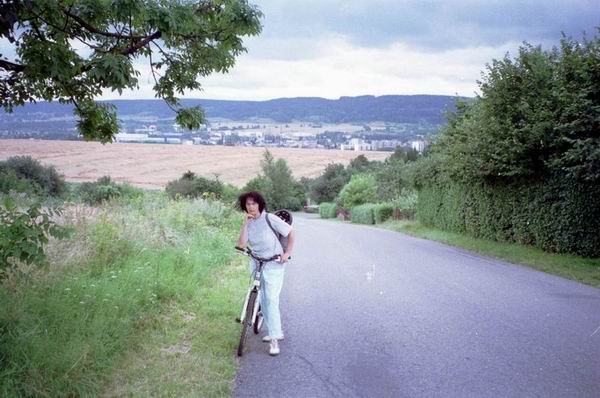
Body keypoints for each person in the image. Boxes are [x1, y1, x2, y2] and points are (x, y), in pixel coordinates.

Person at [237, 191, 295, 356]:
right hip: (256, 262)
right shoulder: (248, 222)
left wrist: (287, 253)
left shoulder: (270, 218)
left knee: (271, 299)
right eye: (248, 204)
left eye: (254, 204)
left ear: (260, 204)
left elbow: (291, 233)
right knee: (263, 298)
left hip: (274, 263)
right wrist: (245, 224)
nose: (251, 207)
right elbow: (241, 245)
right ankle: (269, 324)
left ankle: (275, 339)